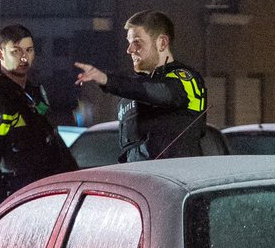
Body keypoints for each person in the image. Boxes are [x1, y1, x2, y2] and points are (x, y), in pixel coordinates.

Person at [74, 10, 207, 162]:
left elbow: (161, 92)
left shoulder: (184, 78)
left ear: (162, 42)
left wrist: (106, 79)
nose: (129, 50)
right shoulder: (132, 91)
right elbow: (128, 150)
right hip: (139, 180)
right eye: (129, 43)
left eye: (137, 42)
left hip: (173, 179)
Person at [0, 23, 77, 212]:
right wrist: (2, 212)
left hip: (45, 192)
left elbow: (50, 137)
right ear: (1, 55)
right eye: (16, 51)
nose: (24, 57)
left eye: (29, 50)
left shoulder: (31, 91)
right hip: (19, 198)